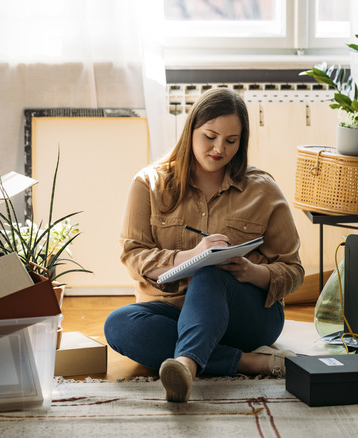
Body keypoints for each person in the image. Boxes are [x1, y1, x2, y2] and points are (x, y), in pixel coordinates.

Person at [104, 87, 304, 403]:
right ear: (191, 130)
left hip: (246, 317)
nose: (218, 149)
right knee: (118, 325)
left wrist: (252, 272)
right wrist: (191, 255)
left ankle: (185, 364)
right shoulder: (149, 184)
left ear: (242, 141)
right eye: (210, 136)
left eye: (231, 141)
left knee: (211, 275)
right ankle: (251, 363)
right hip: (173, 311)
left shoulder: (263, 190)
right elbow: (132, 255)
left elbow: (293, 270)